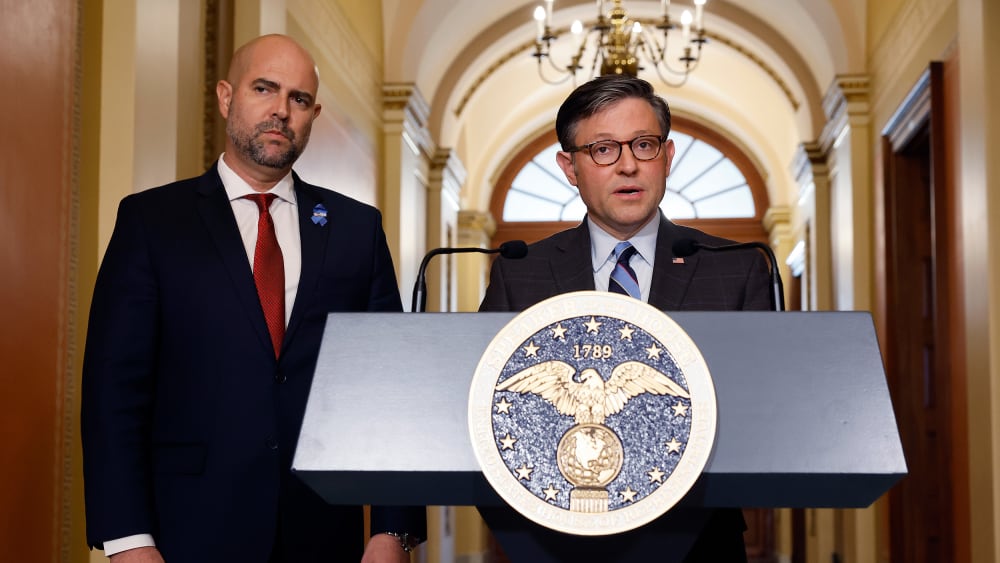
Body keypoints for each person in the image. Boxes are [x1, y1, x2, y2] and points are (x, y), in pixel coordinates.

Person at [81, 34, 424, 562]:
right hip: (185, 533)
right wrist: (127, 540)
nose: (281, 111)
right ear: (225, 97)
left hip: (322, 534)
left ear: (313, 115)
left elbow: (389, 387)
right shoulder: (151, 222)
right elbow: (113, 394)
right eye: (264, 89)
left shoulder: (356, 229)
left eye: (299, 99)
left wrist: (392, 530)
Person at [479, 75, 771, 561]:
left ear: (668, 156)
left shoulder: (735, 266)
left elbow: (762, 406)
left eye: (643, 144)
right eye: (602, 150)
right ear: (569, 167)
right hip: (553, 538)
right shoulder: (521, 272)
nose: (628, 164)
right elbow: (492, 410)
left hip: (700, 539)